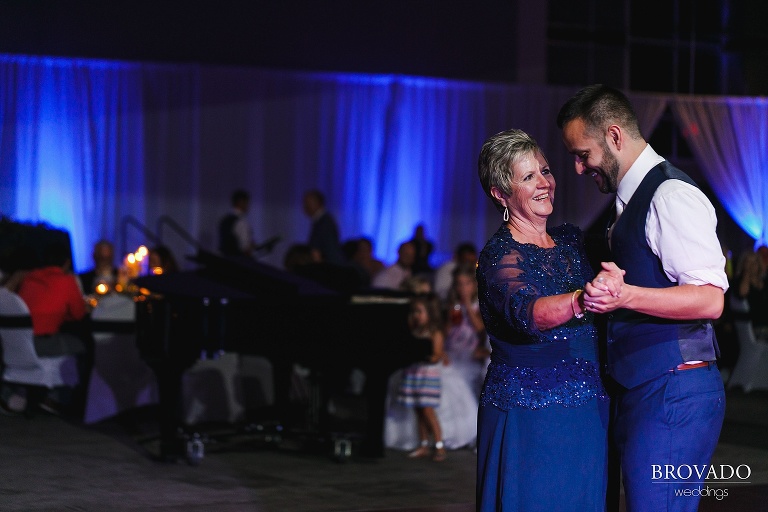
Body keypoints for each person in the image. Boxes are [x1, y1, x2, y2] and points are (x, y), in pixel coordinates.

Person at [558, 84, 729, 512]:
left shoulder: (671, 196)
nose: (578, 168)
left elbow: (710, 300)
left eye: (583, 154)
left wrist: (625, 296)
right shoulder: (631, 198)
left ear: (614, 136)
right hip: (649, 386)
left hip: (674, 391)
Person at [475, 128, 608, 511]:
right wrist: (584, 299)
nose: (544, 183)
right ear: (500, 194)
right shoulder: (499, 256)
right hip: (529, 412)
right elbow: (529, 314)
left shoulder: (571, 240)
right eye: (528, 176)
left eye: (545, 171)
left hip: (587, 410)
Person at [17, 241, 93, 414]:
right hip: (43, 342)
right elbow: (78, 314)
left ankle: (37, 393)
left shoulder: (29, 279)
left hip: (18, 342)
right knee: (85, 346)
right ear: (66, 262)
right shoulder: (66, 281)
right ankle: (65, 399)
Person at [395, 293, 447, 462]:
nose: (416, 315)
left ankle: (439, 445)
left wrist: (424, 355)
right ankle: (423, 444)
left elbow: (437, 354)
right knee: (418, 410)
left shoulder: (434, 332)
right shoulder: (414, 332)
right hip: (414, 373)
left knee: (427, 410)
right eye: (414, 312)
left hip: (427, 375)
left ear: (429, 312)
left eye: (419, 311)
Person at [445, 263, 486, 396]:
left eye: (467, 284)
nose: (463, 288)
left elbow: (481, 330)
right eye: (459, 284)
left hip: (471, 354)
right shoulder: (453, 306)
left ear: (474, 285)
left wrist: (468, 305)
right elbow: (446, 333)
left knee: (459, 376)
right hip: (452, 351)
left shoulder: (480, 306)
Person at [302, 189, 345, 265]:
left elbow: (316, 251)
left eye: (308, 203)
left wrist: (319, 271)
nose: (305, 207)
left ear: (317, 202)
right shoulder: (324, 220)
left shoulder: (323, 222)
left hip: (329, 269)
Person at [218, 189, 256, 257]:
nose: (248, 206)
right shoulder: (241, 223)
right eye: (247, 203)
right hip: (238, 262)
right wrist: (251, 246)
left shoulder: (224, 220)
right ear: (241, 202)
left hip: (224, 260)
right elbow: (245, 247)